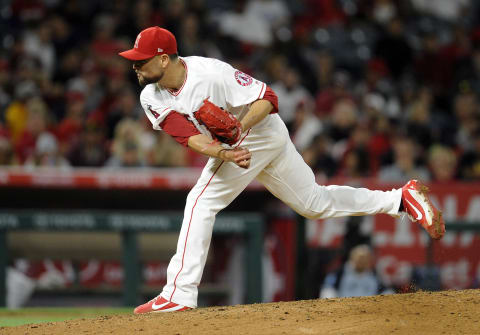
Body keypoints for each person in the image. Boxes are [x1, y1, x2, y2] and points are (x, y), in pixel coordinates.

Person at [118, 26, 445, 313]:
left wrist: (239, 128)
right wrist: (225, 150)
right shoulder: (151, 96)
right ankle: (401, 199)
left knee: (201, 202)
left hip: (261, 131)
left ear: (163, 59)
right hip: (238, 145)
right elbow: (188, 137)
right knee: (314, 204)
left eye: (141, 59)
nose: (135, 65)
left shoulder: (210, 72)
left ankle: (178, 294)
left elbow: (267, 98)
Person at [320, 245, 391, 298]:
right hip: (343, 309)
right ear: (352, 258)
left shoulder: (375, 275)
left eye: (365, 258)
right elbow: (328, 287)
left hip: (369, 311)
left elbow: (386, 290)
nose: (362, 261)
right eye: (360, 258)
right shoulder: (340, 272)